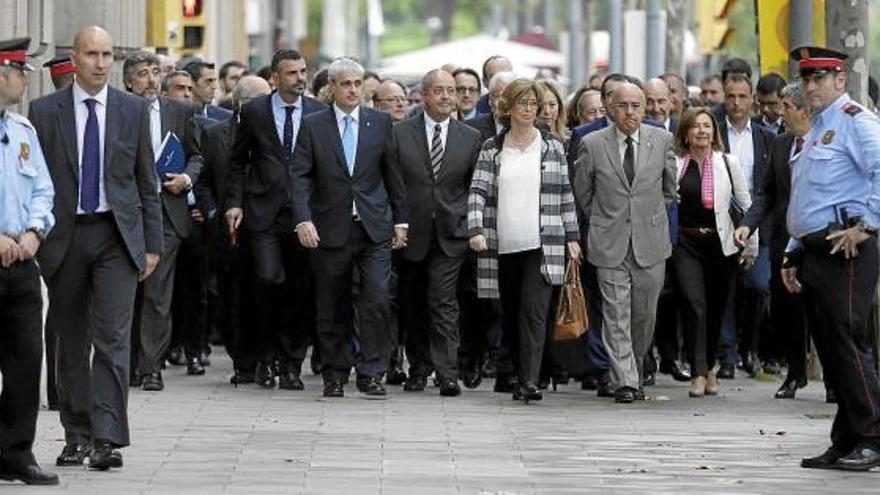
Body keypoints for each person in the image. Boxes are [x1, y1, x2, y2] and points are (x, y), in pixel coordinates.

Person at [28, 25, 162, 470]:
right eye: (92, 55)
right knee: (70, 339)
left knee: (112, 339)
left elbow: (147, 182)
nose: (101, 63)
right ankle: (76, 434)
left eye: (107, 55)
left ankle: (107, 438)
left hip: (115, 237)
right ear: (75, 58)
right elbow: (38, 182)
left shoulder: (131, 110)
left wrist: (152, 244)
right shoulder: (44, 112)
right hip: (64, 238)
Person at [780, 46, 880, 471]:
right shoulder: (817, 126)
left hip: (847, 248)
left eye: (820, 78)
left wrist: (867, 226)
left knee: (847, 344)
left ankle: (874, 436)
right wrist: (792, 251)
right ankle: (847, 437)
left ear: (841, 80)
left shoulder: (857, 120)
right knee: (830, 347)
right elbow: (808, 198)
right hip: (816, 249)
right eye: (806, 79)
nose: (811, 87)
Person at [291, 57, 407, 398]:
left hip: (373, 228)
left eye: (357, 84)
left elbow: (392, 174)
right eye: (345, 84)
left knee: (376, 297)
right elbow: (299, 176)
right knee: (332, 303)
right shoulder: (313, 125)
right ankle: (335, 372)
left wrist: (401, 220)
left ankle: (372, 372)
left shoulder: (380, 123)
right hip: (329, 228)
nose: (353, 90)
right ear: (332, 88)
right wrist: (303, 219)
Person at [468, 78, 580, 402]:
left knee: (533, 311)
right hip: (501, 244)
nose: (530, 110)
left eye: (534, 104)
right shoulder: (492, 148)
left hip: (542, 242)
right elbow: (477, 191)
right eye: (524, 104)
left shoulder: (552, 147)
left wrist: (572, 236)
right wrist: (476, 230)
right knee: (511, 313)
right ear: (509, 108)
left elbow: (564, 195)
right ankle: (518, 373)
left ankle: (530, 380)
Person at [226, 50, 326, 390]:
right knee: (267, 280)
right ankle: (265, 359)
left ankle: (291, 363)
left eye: (303, 71)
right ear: (275, 77)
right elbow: (237, 161)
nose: (301, 78)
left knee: (300, 288)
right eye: (293, 73)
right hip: (263, 211)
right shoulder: (254, 112)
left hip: (304, 214)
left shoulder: (318, 112)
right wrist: (234, 203)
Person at [573, 82, 677, 404]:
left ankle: (635, 362)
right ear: (609, 108)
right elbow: (583, 192)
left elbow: (669, 190)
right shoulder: (592, 143)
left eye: (636, 105)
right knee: (615, 313)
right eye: (622, 106)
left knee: (643, 315)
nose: (629, 112)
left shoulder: (662, 139)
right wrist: (606, 218)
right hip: (609, 241)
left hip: (651, 241)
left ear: (644, 108)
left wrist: (647, 215)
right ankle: (627, 381)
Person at [393, 69, 482, 396]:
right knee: (413, 302)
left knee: (443, 301)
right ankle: (418, 368)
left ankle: (447, 372)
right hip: (410, 233)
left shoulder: (469, 137)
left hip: (451, 233)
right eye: (439, 91)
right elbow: (394, 182)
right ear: (426, 95)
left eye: (451, 91)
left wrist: (472, 226)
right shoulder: (400, 133)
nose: (447, 96)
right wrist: (397, 222)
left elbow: (474, 188)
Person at [123, 50, 204, 388]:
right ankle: (123, 364)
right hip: (128, 212)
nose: (152, 79)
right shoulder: (118, 110)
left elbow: (196, 156)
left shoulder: (179, 112)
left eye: (155, 72)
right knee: (125, 291)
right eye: (143, 73)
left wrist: (186, 179)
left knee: (158, 293)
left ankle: (150, 367)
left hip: (167, 210)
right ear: (128, 81)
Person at [0, 37, 59, 486]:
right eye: (21, 71)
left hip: (21, 263)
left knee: (25, 362)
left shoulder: (23, 131)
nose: (25, 80)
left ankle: (16, 453)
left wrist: (36, 232)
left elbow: (43, 188)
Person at [735, 82, 813, 399]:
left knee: (821, 312)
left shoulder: (824, 142)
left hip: (819, 242)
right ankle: (795, 374)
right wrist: (748, 225)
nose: (778, 112)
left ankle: (835, 382)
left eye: (785, 107)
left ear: (803, 110)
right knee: (785, 310)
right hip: (783, 241)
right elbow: (766, 193)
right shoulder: (780, 144)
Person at [672, 107, 755, 397]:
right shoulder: (674, 164)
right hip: (685, 244)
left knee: (716, 309)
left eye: (707, 126)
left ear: (714, 132)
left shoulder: (728, 163)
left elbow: (746, 207)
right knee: (694, 304)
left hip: (721, 245)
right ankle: (697, 371)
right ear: (685, 132)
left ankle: (710, 366)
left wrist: (750, 248)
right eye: (695, 126)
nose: (702, 131)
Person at [197, 75, 272, 386]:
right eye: (261, 99)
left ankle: (268, 359)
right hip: (229, 234)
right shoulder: (215, 135)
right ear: (241, 104)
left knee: (266, 294)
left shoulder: (277, 133)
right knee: (233, 298)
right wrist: (214, 211)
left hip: (268, 228)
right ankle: (242, 360)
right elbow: (203, 180)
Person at [715, 73, 775, 379]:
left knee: (758, 285)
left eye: (742, 97)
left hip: (757, 221)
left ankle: (749, 347)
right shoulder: (713, 131)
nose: (736, 103)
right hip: (722, 220)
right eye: (731, 96)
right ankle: (727, 355)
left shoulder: (766, 137)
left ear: (752, 99)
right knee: (724, 288)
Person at [536, 79, 569, 144]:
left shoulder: (570, 139)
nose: (547, 111)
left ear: (560, 107)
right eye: (541, 105)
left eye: (552, 105)